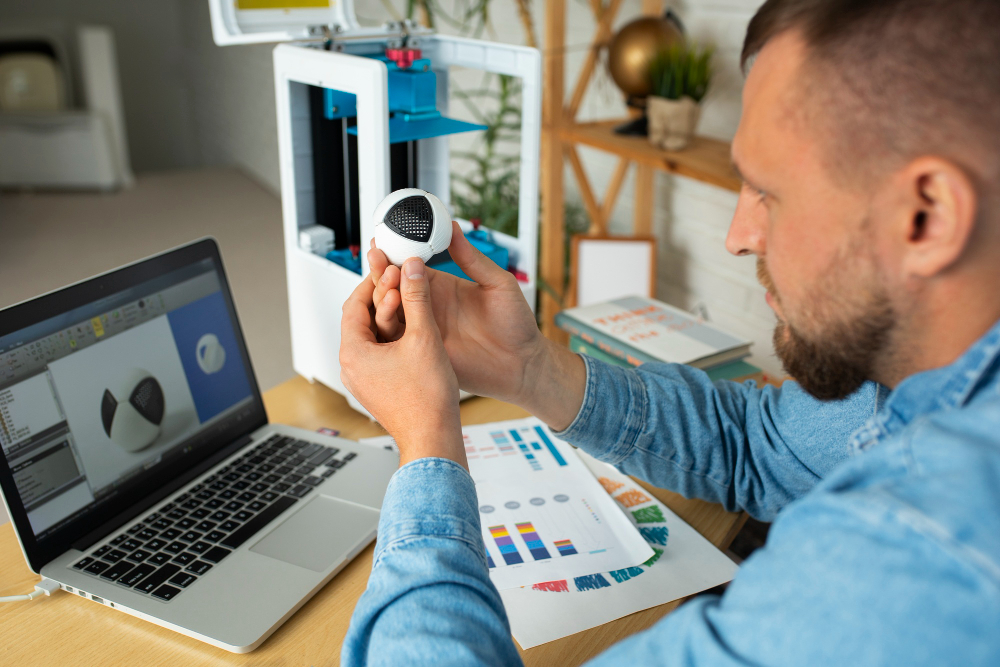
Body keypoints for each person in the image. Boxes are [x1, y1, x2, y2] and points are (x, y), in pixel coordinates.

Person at [338, 0, 1000, 663]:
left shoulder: (919, 558)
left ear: (927, 217)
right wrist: (528, 368)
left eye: (768, 192)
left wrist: (427, 442)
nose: (738, 237)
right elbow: (762, 447)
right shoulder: (915, 372)